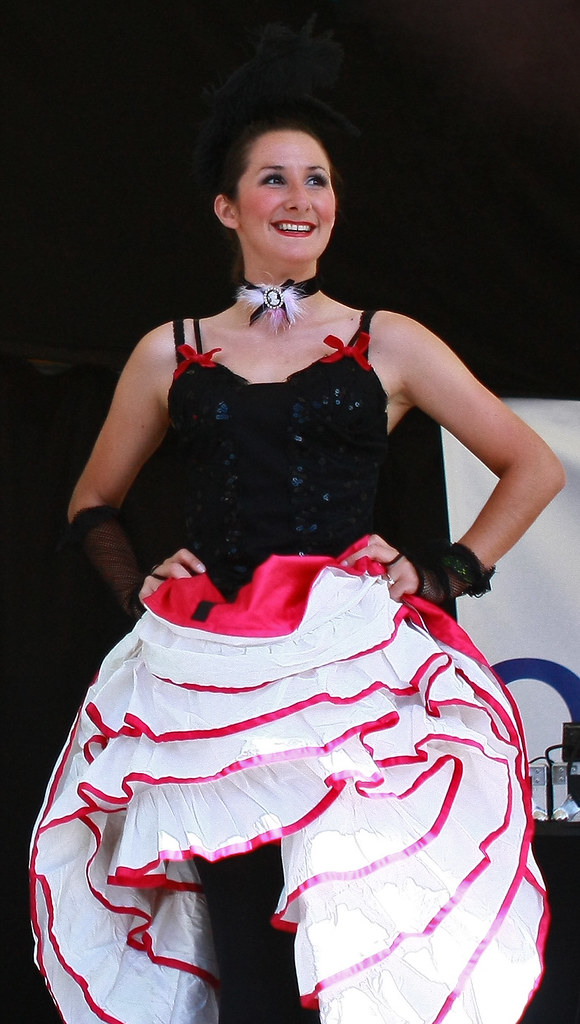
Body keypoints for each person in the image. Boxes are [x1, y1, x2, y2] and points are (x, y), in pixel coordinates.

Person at [30, 23, 564, 1024]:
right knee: (245, 947)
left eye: (315, 180)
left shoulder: (385, 341)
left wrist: (443, 571)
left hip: (350, 663)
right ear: (227, 206)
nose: (299, 198)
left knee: (354, 934)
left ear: (335, 206)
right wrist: (139, 585)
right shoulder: (170, 352)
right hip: (211, 669)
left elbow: (531, 465)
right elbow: (91, 502)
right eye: (272, 179)